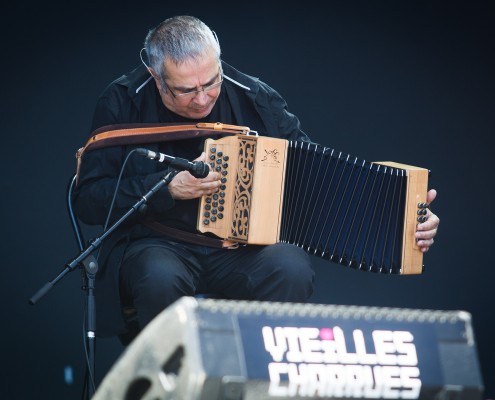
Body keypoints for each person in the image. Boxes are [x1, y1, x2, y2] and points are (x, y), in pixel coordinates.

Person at [73, 15, 440, 343]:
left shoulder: (255, 98)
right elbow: (89, 198)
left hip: (240, 251)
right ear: (156, 77)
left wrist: (405, 218)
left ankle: (263, 378)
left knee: (290, 268)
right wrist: (166, 189)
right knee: (158, 277)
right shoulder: (122, 101)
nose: (202, 99)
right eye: (186, 90)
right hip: (160, 243)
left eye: (211, 82)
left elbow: (320, 176)